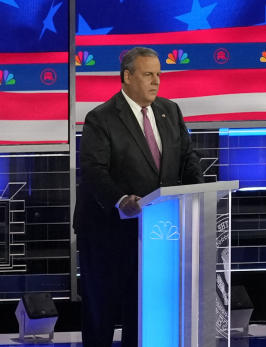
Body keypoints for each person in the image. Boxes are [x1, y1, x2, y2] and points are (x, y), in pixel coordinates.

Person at [75, 46, 203, 347]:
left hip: (158, 231)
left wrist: (198, 191)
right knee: (102, 310)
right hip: (107, 232)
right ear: (127, 76)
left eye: (158, 74)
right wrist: (121, 200)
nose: (156, 81)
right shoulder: (101, 118)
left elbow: (188, 158)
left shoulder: (170, 111)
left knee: (144, 310)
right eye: (148, 74)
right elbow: (94, 170)